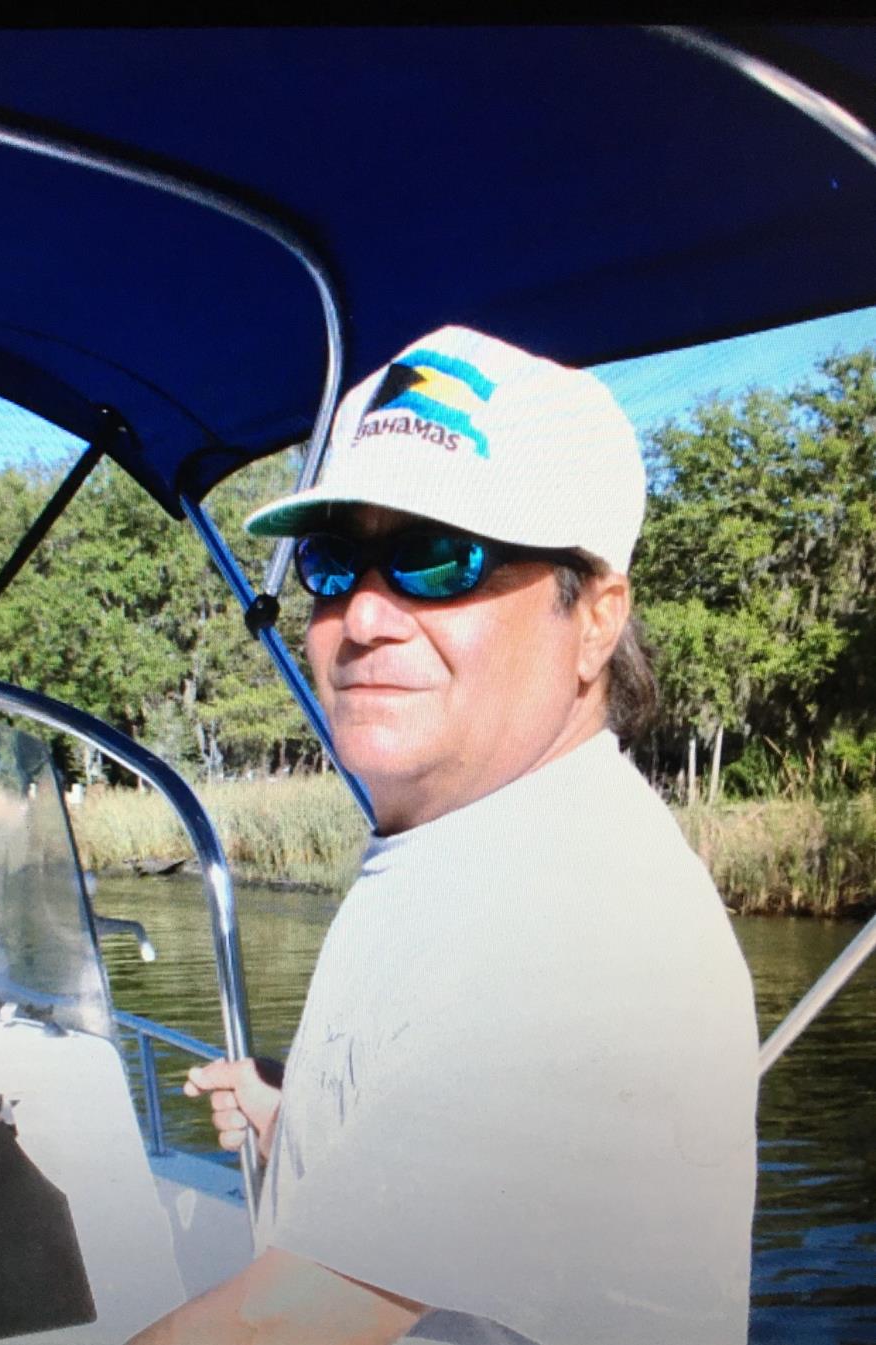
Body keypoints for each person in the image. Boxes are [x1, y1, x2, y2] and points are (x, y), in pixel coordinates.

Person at [127, 326, 758, 1344]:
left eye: (436, 557)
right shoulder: (480, 847)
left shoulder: (591, 926)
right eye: (337, 562)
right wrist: (296, 1116)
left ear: (595, 617)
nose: (365, 616)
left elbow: (273, 1329)